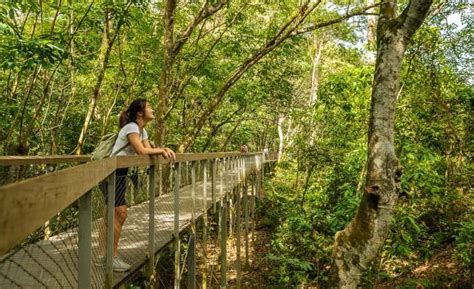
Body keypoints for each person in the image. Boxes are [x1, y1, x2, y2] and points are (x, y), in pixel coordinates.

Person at [99, 98, 175, 272]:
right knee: (120, 213)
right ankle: (112, 258)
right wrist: (163, 150)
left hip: (119, 173)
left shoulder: (142, 131)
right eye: (149, 107)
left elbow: (147, 150)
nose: (153, 109)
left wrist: (161, 151)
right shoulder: (132, 127)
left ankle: (104, 255)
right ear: (140, 113)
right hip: (111, 173)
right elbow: (141, 150)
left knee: (110, 215)